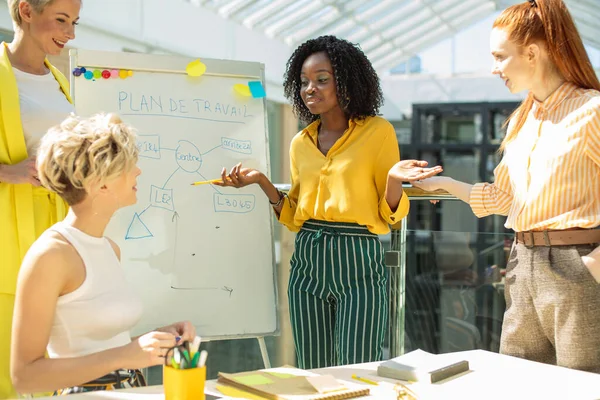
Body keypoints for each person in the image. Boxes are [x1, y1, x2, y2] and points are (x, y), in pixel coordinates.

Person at [217, 35, 442, 369]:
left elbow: (389, 215)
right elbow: (294, 215)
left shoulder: (377, 132)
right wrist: (262, 182)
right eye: (304, 82)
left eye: (322, 80)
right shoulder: (300, 143)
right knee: (314, 368)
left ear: (346, 81)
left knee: (359, 366)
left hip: (358, 258)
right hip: (308, 258)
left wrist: (395, 180)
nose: (311, 89)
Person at [413, 0, 600, 373]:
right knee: (518, 380)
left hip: (578, 265)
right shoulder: (521, 121)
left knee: (583, 383)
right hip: (521, 263)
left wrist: (594, 262)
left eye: (500, 57)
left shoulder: (591, 111)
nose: (494, 67)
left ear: (532, 53)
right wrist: (444, 184)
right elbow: (504, 198)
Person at [10, 113, 196, 394]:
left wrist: (153, 342)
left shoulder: (110, 248)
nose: (138, 171)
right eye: (128, 165)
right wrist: (125, 355)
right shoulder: (51, 255)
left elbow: (101, 347)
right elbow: (24, 376)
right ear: (101, 183)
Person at [0, 0, 81, 396]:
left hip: (55, 230)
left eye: (75, 22)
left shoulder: (57, 80)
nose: (70, 33)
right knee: (7, 364)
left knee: (51, 362)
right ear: (26, 11)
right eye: (61, 20)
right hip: (6, 234)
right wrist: (8, 172)